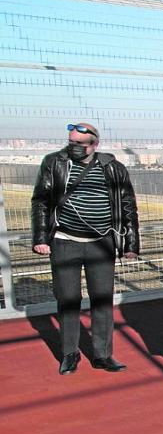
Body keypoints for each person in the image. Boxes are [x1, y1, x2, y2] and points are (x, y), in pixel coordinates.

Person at [30, 122, 140, 375]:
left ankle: (102, 355)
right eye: (71, 142)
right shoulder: (54, 163)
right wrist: (40, 238)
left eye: (80, 144)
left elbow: (127, 205)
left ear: (95, 144)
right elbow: (41, 201)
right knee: (68, 300)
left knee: (102, 301)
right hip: (65, 242)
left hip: (101, 243)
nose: (74, 148)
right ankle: (69, 353)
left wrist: (130, 244)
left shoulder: (113, 167)